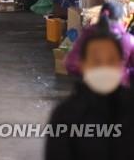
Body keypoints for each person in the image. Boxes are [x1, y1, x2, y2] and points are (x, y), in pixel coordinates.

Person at [45, 11, 134, 160]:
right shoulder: (66, 116)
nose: (105, 67)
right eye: (97, 61)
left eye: (111, 60)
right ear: (83, 64)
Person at [65, 2, 134, 84]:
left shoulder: (87, 34)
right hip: (119, 92)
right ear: (121, 20)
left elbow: (71, 63)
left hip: (90, 90)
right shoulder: (128, 40)